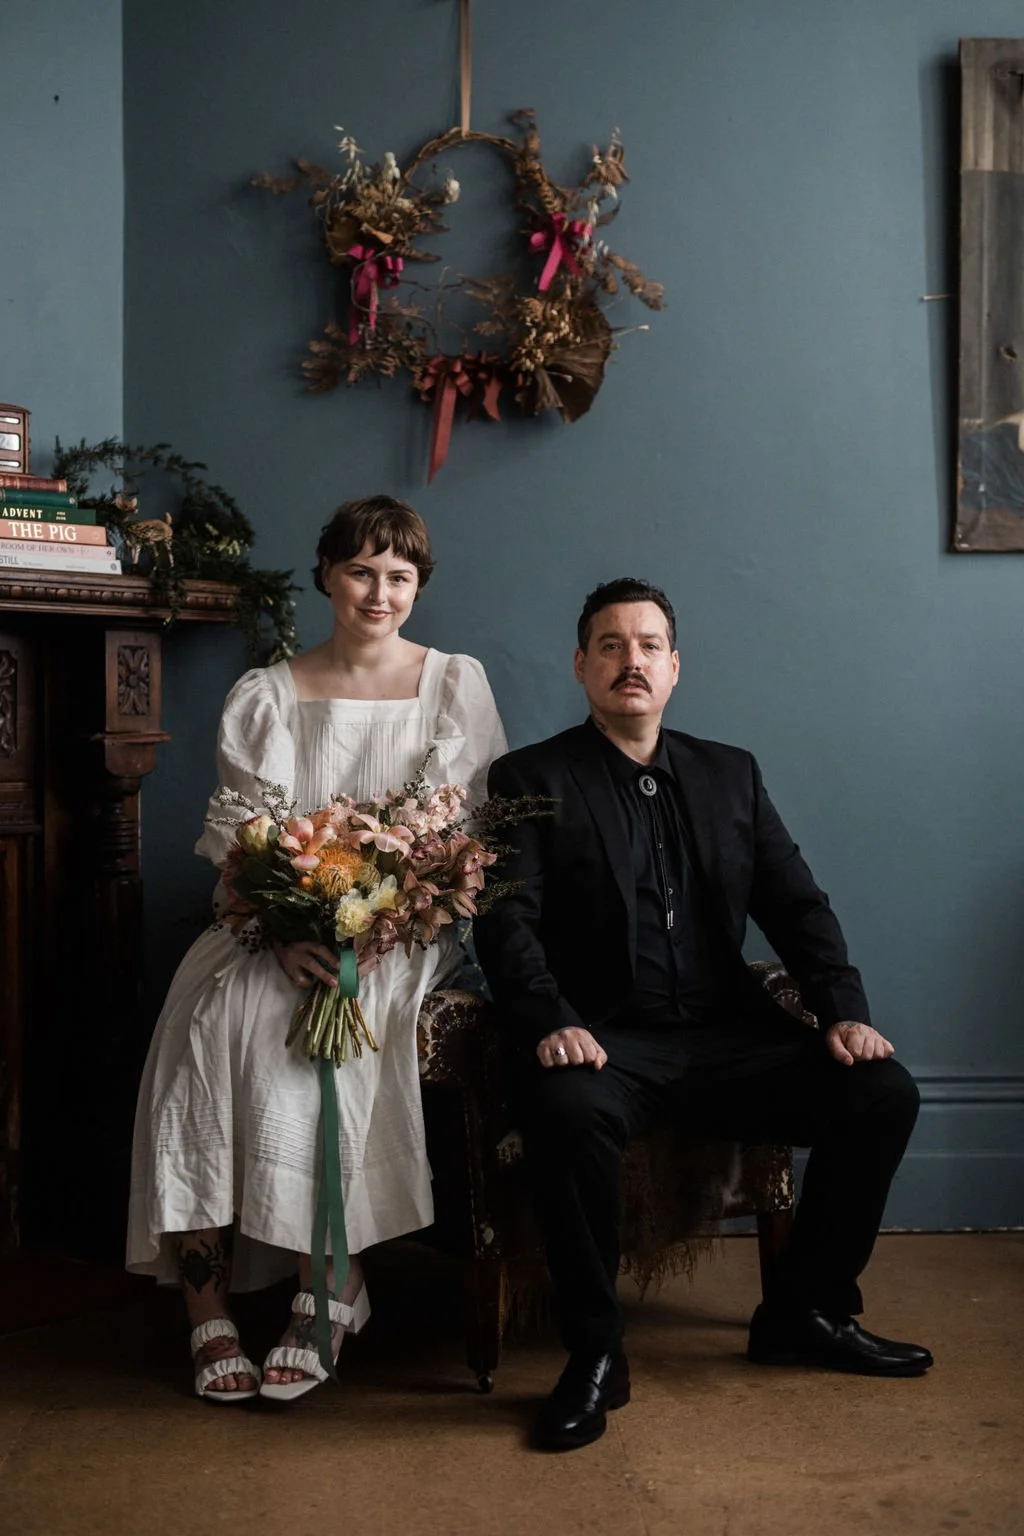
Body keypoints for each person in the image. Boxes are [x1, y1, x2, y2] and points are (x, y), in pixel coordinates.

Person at [474, 577, 931, 1453]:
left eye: (648, 645)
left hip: (731, 1042)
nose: (630, 661)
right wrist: (549, 1021)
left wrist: (842, 1010)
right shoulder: (529, 777)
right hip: (610, 1045)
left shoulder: (732, 774)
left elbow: (798, 906)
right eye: (610, 645)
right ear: (581, 666)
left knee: (883, 1092)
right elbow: (506, 922)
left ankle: (806, 1313)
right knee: (562, 1108)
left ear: (675, 668)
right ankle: (597, 1356)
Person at [128, 495, 507, 1403]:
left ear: (419, 585)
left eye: (400, 576)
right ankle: (206, 1309)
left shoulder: (453, 683)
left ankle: (327, 1285)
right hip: (270, 924)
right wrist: (282, 926)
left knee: (310, 1035)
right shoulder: (268, 694)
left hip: (400, 936)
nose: (379, 593)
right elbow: (241, 845)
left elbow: (467, 845)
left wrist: (377, 927)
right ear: (328, 575)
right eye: (361, 571)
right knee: (212, 1023)